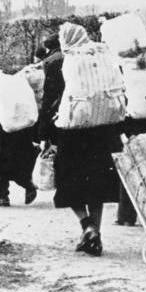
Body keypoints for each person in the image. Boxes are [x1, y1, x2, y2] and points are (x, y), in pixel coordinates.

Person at [39, 24, 122, 257]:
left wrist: (44, 134)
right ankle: (97, 235)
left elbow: (49, 101)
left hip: (70, 132)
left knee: (69, 181)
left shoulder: (58, 63)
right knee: (96, 183)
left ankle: (86, 226)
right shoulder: (102, 57)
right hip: (102, 130)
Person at [0, 44, 38, 207]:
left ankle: (2, 195)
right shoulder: (4, 76)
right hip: (12, 123)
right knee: (15, 158)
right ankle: (27, 183)